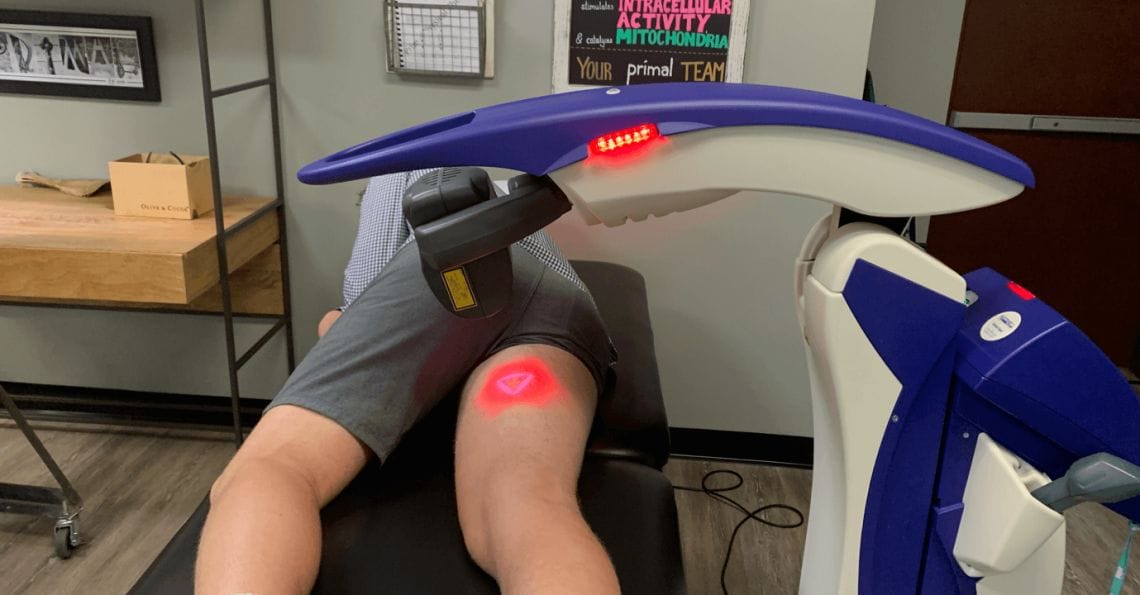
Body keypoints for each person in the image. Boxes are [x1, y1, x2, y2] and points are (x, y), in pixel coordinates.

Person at [195, 170, 621, 594]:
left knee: (273, 468)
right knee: (525, 500)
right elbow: (513, 300)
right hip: (563, 310)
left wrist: (338, 327)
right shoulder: (507, 184)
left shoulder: (399, 173)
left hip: (452, 278)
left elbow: (360, 299)